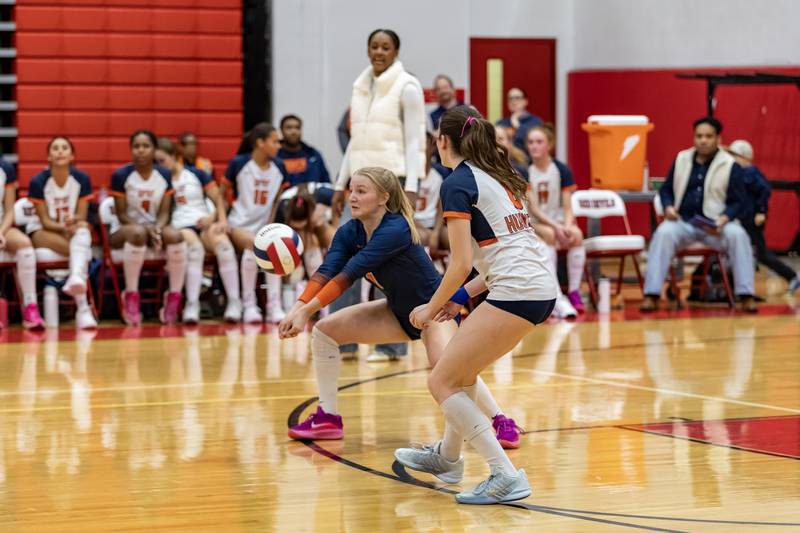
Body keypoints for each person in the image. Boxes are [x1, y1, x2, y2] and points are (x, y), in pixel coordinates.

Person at [280, 167, 523, 450]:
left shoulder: (396, 229)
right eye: (351, 191)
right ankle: (328, 418)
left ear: (383, 197)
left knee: (449, 372)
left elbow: (350, 273)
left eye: (361, 191)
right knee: (324, 332)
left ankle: (500, 420)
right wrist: (297, 307)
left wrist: (306, 311)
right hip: (398, 312)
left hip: (434, 311)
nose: (352, 198)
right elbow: (327, 270)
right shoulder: (350, 232)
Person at [395, 106, 557, 505]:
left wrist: (430, 308)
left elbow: (461, 262)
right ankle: (448, 459)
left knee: (441, 381)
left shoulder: (458, 183)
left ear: (444, 141)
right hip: (535, 287)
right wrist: (460, 299)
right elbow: (497, 256)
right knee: (460, 372)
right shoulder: (500, 177)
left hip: (517, 291)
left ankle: (504, 475)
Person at [330, 29, 427, 361]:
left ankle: (393, 345)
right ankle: (342, 340)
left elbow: (416, 140)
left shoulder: (408, 87)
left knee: (391, 262)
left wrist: (412, 187)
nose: (379, 52)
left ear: (396, 51)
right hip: (360, 183)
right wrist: (340, 184)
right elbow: (355, 142)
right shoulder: (361, 86)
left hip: (393, 182)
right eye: (374, 46)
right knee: (343, 254)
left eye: (386, 47)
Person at [640, 117, 756, 313]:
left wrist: (724, 218)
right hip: (684, 223)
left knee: (738, 235)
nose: (703, 140)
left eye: (708, 136)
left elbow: (739, 202)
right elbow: (666, 190)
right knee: (663, 233)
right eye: (699, 136)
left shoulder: (729, 165)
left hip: (716, 225)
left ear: (718, 138)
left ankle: (746, 295)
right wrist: (668, 207)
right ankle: (651, 294)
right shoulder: (681, 159)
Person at [155, 138, 242, 323]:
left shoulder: (196, 174)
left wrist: (215, 218)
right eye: (156, 162)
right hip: (180, 225)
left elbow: (220, 198)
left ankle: (234, 302)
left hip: (204, 221)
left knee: (223, 245)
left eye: (162, 161)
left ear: (174, 157)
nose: (159, 166)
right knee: (195, 249)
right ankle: (192, 304)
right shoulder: (159, 180)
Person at [110, 130, 187, 325]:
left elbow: (164, 212)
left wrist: (157, 229)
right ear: (131, 150)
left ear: (154, 150)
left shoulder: (164, 174)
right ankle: (131, 295)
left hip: (155, 227)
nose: (141, 151)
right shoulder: (121, 175)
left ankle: (174, 296)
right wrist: (146, 229)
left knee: (177, 237)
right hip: (125, 229)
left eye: (146, 146)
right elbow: (122, 215)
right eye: (136, 146)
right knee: (138, 233)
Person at [220, 122, 288, 323]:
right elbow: (220, 194)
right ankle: (249, 304)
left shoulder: (279, 167)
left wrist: (271, 224)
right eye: (275, 141)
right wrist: (223, 219)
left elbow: (276, 200)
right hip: (239, 224)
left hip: (263, 227)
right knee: (254, 245)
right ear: (260, 143)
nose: (279, 146)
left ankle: (274, 305)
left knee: (275, 245)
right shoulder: (239, 163)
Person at [27, 136, 97, 329]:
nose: (59, 151)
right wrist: (65, 228)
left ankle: (78, 292)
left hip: (71, 231)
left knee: (82, 231)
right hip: (42, 232)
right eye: (55, 148)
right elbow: (45, 221)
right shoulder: (38, 181)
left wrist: (75, 222)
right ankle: (83, 309)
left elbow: (82, 216)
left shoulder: (82, 179)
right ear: (48, 156)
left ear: (72, 155)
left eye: (64, 148)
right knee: (80, 251)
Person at [525, 124, 587, 314]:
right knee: (551, 235)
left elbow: (568, 206)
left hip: (558, 220)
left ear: (549, 145)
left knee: (576, 235)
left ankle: (575, 291)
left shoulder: (561, 169)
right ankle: (556, 295)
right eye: (531, 142)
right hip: (534, 221)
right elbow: (533, 208)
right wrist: (557, 228)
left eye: (539, 142)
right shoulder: (525, 171)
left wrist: (567, 226)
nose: (534, 146)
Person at [727, 139, 799, 294]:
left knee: (762, 254)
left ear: (745, 156)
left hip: (752, 220)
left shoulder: (751, 172)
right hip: (740, 219)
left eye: (735, 155)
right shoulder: (735, 173)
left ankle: (792, 276)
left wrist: (761, 212)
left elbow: (764, 191)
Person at [0, 157, 43, 329]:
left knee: (25, 244)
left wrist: (1, 233)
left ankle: (30, 307)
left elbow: (10, 210)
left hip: (2, 226)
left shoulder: (5, 168)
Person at [282, 185, 337, 281]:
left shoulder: (324, 196)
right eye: (296, 228)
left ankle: (318, 279)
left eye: (302, 226)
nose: (299, 230)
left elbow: (342, 199)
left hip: (320, 223)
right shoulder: (282, 206)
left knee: (335, 237)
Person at [414, 133, 449, 248]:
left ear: (432, 147)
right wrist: (428, 233)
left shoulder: (439, 175)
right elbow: (404, 213)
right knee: (422, 237)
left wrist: (435, 232)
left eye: (424, 144)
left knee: (452, 238)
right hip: (414, 225)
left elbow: (441, 209)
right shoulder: (407, 177)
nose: (421, 148)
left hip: (434, 224)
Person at [277, 114, 331, 187]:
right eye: (289, 128)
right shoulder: (275, 156)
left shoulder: (313, 155)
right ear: (281, 130)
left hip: (312, 197)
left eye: (297, 128)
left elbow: (326, 183)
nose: (294, 131)